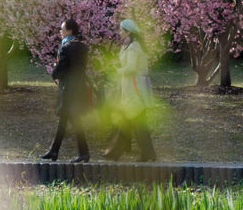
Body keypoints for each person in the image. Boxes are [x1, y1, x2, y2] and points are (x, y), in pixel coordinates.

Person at [102, 19, 156, 162]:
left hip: (134, 89)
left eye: (121, 30)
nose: (119, 32)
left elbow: (131, 68)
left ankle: (117, 152)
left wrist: (118, 70)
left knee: (134, 122)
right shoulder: (129, 46)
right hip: (131, 88)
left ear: (128, 32)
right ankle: (143, 153)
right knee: (133, 122)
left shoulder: (134, 47)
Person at [40, 18, 91, 163]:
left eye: (62, 29)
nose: (60, 32)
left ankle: (82, 153)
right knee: (66, 121)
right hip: (78, 87)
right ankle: (55, 151)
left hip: (68, 89)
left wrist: (54, 73)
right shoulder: (82, 47)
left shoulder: (65, 47)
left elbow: (60, 69)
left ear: (69, 30)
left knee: (73, 121)